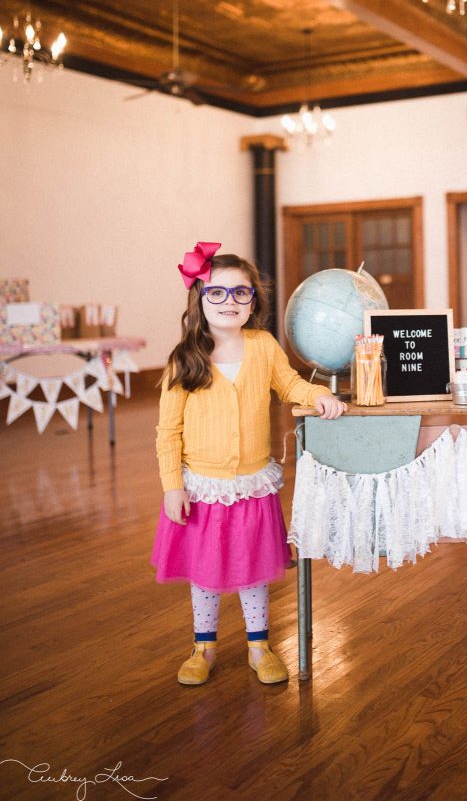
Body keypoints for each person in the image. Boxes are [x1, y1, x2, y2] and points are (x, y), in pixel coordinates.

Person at [151, 242, 346, 687]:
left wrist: (318, 394)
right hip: (202, 487)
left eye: (241, 293)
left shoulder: (262, 347)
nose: (230, 302)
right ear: (200, 298)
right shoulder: (185, 358)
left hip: (252, 484)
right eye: (217, 293)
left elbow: (290, 384)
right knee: (205, 574)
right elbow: (168, 431)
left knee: (252, 568)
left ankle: (259, 646)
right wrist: (172, 485)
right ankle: (203, 647)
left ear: (253, 301)